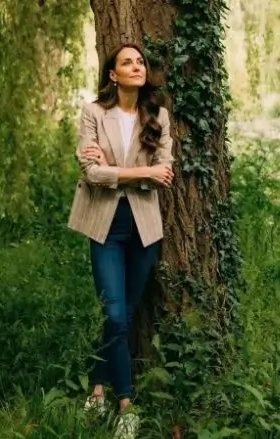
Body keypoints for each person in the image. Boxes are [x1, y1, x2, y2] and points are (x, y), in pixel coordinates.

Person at [67, 42, 174, 438]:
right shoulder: (94, 112)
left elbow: (166, 170)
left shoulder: (157, 115)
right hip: (105, 225)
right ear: (113, 74)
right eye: (126, 62)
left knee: (124, 317)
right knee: (113, 315)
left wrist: (115, 170)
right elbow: (92, 173)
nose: (136, 66)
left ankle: (97, 389)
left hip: (145, 227)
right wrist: (135, 174)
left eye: (140, 61)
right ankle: (127, 405)